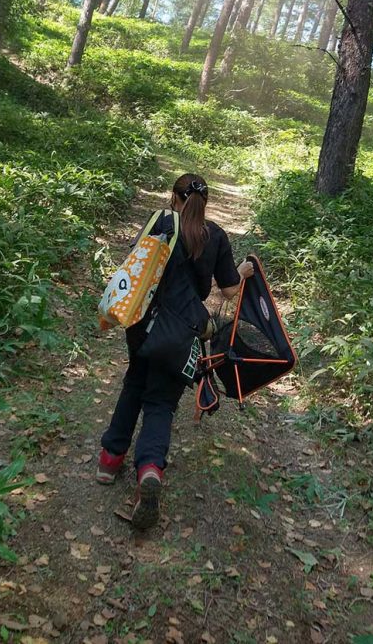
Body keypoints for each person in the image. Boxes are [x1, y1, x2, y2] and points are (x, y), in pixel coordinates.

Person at [96, 172, 254, 530]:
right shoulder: (215, 236)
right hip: (183, 332)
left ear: (174, 197)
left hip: (143, 324)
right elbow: (230, 292)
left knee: (134, 384)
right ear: (206, 202)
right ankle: (149, 470)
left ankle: (110, 458)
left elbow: (135, 268)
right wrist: (242, 272)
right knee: (161, 403)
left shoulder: (161, 223)